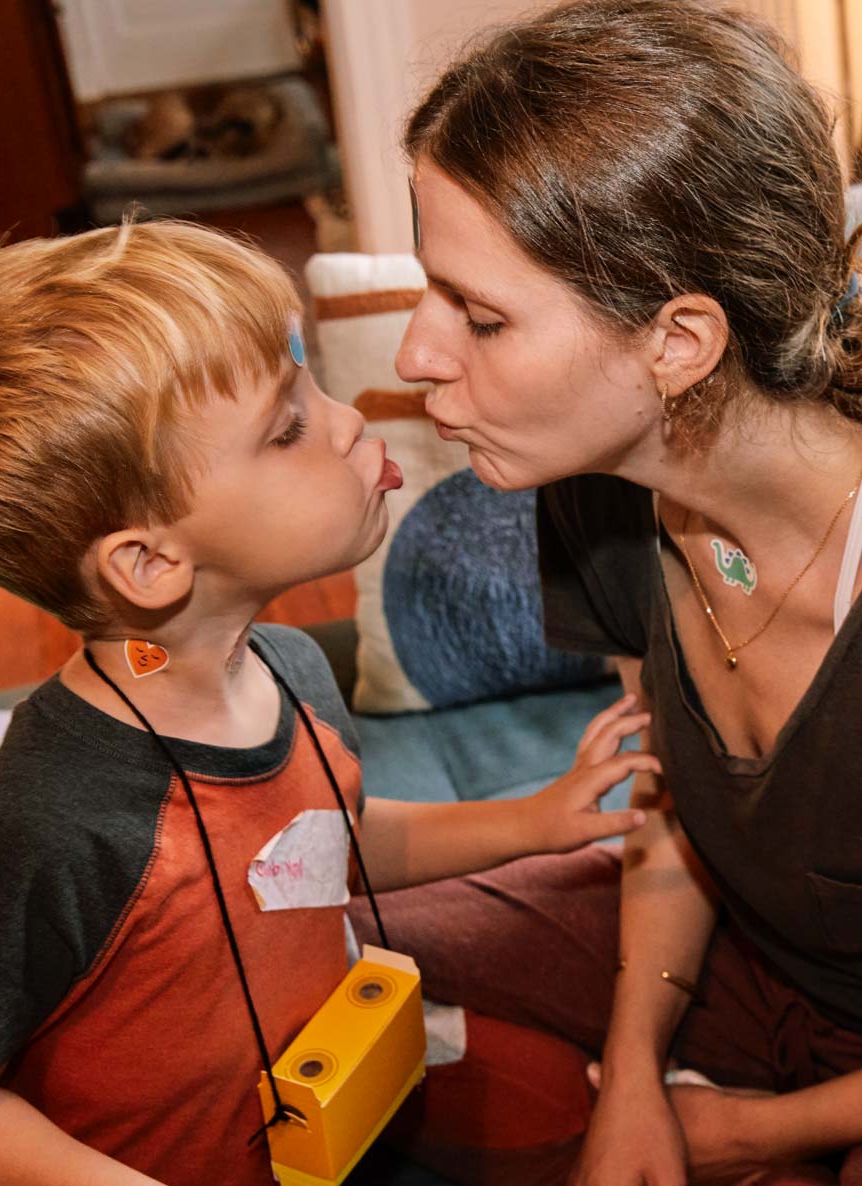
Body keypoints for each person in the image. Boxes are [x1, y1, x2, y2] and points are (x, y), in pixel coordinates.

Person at [0, 218, 656, 1186]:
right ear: (149, 562)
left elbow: (314, 847)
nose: (343, 422)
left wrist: (533, 820)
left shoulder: (290, 665)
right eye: (286, 426)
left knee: (564, 1096)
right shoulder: (47, 822)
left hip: (343, 1115)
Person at [359, 0, 862, 1183]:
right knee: (310, 957)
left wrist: (749, 1131)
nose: (415, 356)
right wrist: (634, 1073)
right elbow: (673, 812)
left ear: (677, 343)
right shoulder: (601, 478)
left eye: (480, 315)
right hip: (738, 962)